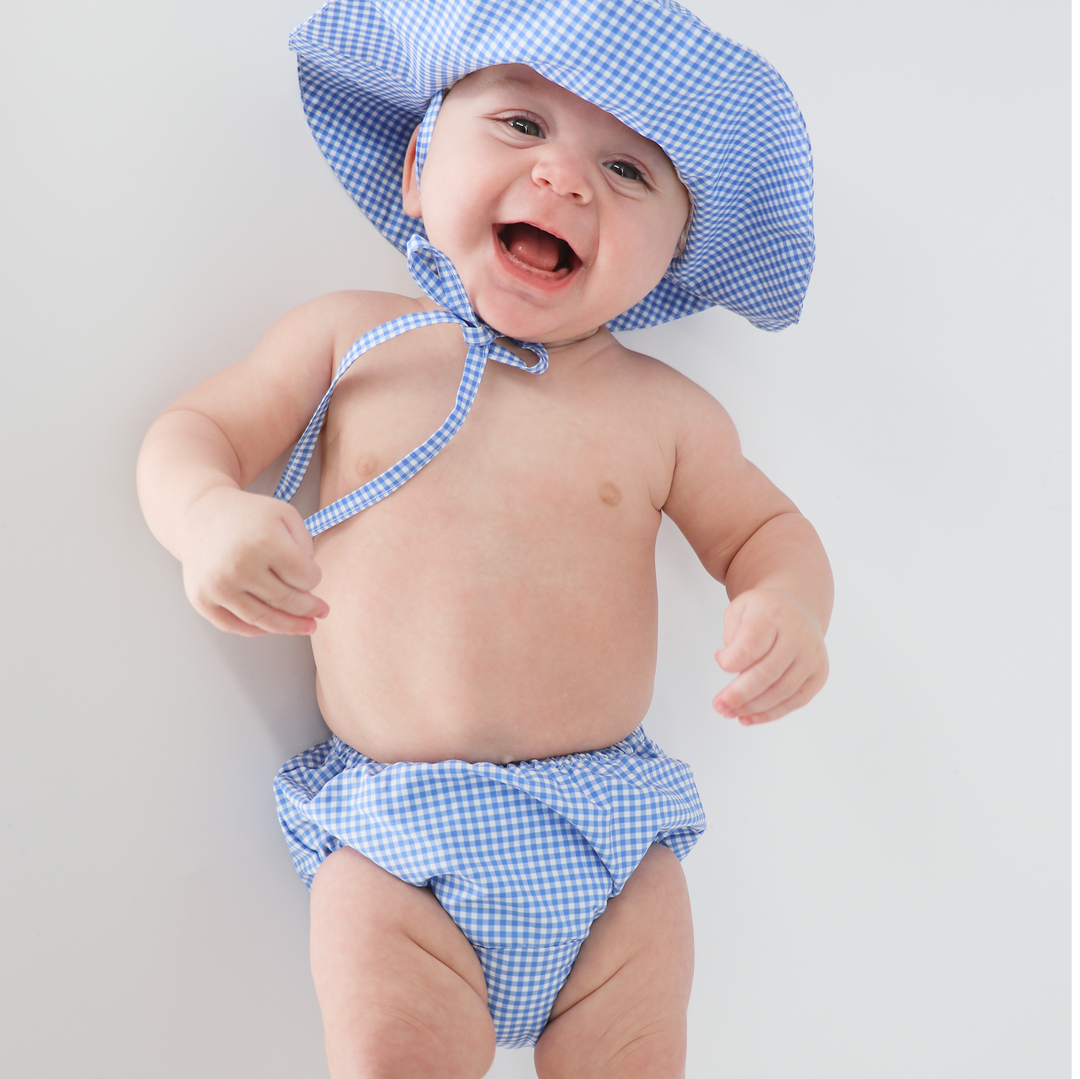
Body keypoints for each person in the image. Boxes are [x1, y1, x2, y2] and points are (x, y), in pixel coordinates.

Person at [137, 1, 833, 1075]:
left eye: (630, 172)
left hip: (609, 845)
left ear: (669, 261)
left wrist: (787, 603)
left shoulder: (667, 415)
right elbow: (195, 432)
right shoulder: (351, 338)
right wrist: (205, 516)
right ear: (417, 166)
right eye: (520, 125)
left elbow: (769, 531)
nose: (565, 179)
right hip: (397, 843)